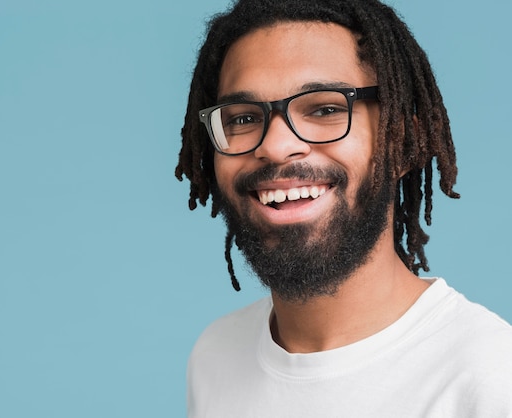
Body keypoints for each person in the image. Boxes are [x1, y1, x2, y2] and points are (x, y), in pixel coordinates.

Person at [175, 0, 512, 416]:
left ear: (402, 140)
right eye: (242, 119)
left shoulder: (491, 380)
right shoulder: (214, 356)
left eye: (325, 109)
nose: (276, 146)